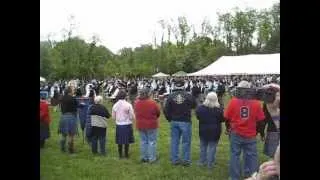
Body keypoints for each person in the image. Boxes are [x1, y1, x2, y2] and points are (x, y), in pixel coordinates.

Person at [224, 81, 265, 180]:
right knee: (251, 156)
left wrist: (228, 128)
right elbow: (261, 121)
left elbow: (226, 117)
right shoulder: (256, 103)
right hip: (250, 133)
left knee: (235, 155)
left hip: (236, 132)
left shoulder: (233, 101)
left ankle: (234, 177)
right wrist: (260, 132)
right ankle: (251, 176)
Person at [164, 79, 196, 166]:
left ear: (175, 86)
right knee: (186, 141)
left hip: (174, 120)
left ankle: (175, 160)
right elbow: (194, 105)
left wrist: (169, 119)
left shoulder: (170, 96)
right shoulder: (189, 96)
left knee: (174, 141)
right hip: (185, 121)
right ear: (184, 85)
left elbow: (166, 110)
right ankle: (185, 160)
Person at [195, 92, 224, 169]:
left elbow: (198, 117)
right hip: (215, 130)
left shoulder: (200, 108)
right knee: (212, 147)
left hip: (203, 129)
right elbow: (222, 119)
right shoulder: (219, 109)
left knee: (203, 146)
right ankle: (210, 163)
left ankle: (202, 161)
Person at [134, 88, 161, 163]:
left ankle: (144, 157)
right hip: (151, 124)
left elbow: (136, 111)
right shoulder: (152, 103)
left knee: (143, 141)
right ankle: (152, 158)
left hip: (140, 124)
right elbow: (158, 112)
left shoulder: (136, 102)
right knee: (152, 141)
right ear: (148, 94)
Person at [257, 86, 280, 158]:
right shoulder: (267, 103)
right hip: (273, 130)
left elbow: (263, 119)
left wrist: (261, 133)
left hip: (272, 131)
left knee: (273, 157)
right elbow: (264, 119)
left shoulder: (267, 103)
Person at [112, 90, 135, 159]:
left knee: (120, 141)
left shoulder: (115, 105)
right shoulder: (128, 105)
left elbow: (113, 117)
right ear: (125, 96)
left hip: (119, 124)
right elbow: (132, 116)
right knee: (127, 141)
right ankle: (126, 155)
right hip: (127, 124)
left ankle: (120, 155)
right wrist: (130, 119)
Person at [58, 86, 78, 153]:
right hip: (71, 117)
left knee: (63, 134)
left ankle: (62, 148)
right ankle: (71, 150)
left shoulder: (62, 98)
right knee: (71, 135)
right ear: (70, 91)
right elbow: (77, 106)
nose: (73, 91)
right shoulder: (73, 98)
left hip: (63, 116)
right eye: (72, 90)